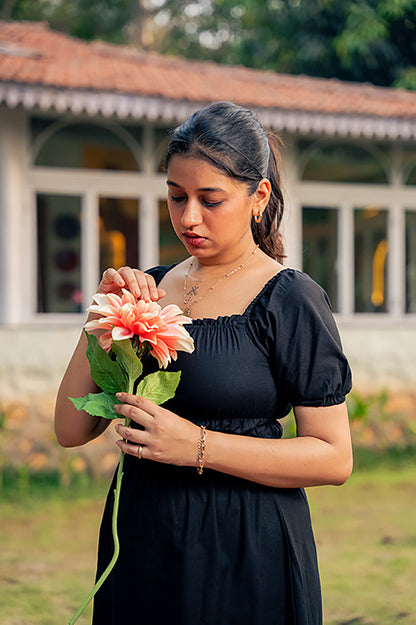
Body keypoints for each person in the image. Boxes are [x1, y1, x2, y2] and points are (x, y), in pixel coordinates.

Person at [55, 101, 353, 625]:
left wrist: (196, 445)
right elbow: (71, 428)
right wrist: (102, 317)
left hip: (242, 545)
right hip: (144, 538)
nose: (188, 217)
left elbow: (332, 457)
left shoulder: (290, 298)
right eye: (176, 197)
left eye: (209, 200)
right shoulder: (149, 288)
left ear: (258, 196)